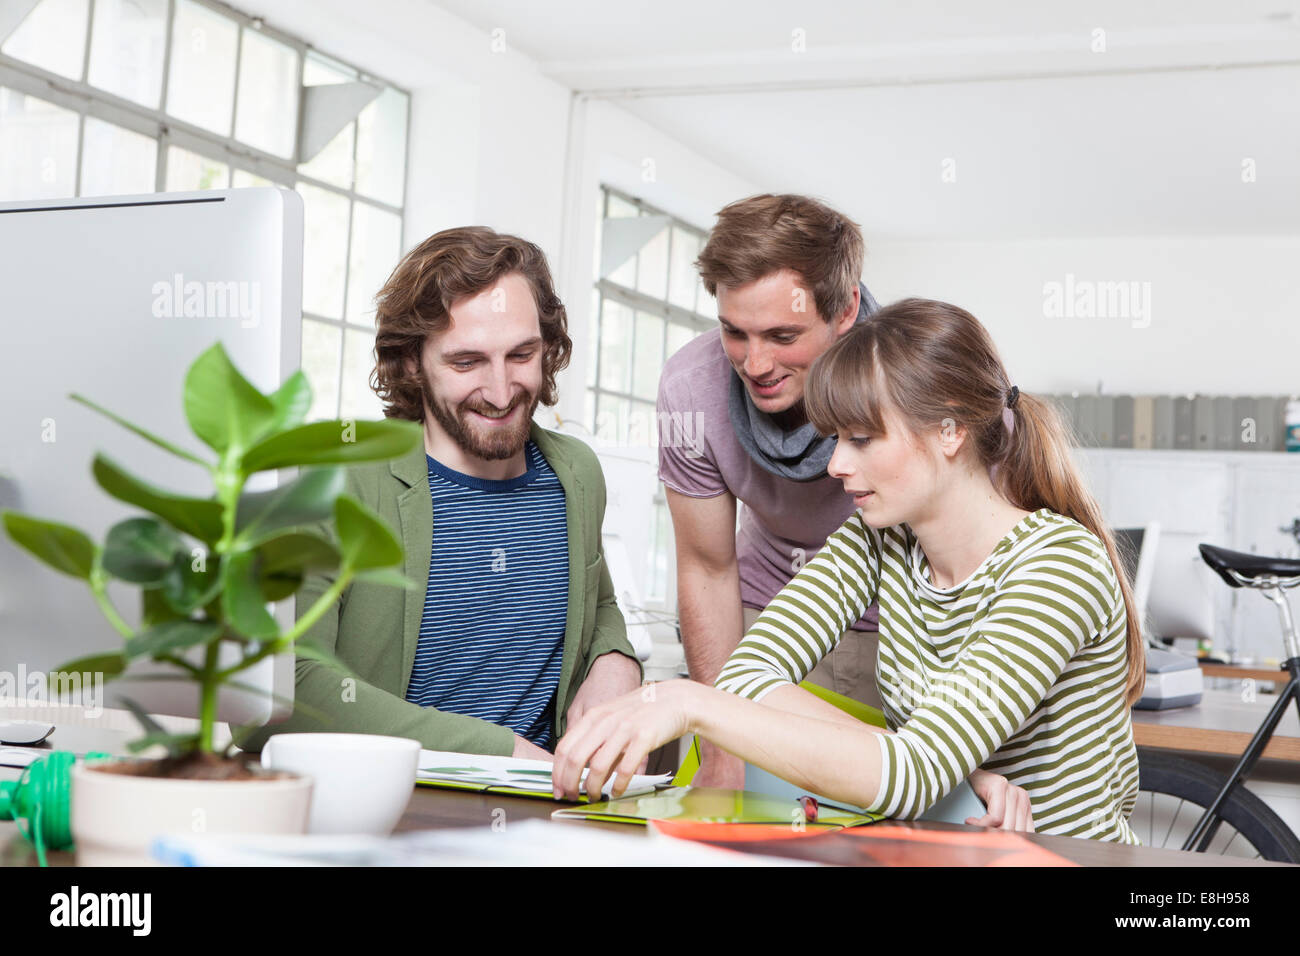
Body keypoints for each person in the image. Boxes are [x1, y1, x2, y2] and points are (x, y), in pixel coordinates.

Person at [554, 298, 1143, 842]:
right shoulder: (879, 538)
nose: (836, 463)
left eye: (862, 438)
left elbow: (911, 774)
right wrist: (946, 778)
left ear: (951, 430)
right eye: (835, 437)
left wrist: (689, 702)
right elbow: (746, 674)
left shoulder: (1059, 564)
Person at [235, 227, 642, 759]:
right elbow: (282, 690)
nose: (501, 392)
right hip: (391, 807)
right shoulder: (334, 480)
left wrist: (617, 662)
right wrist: (503, 753)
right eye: (466, 362)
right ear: (410, 362)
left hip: (551, 818)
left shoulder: (576, 473)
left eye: (521, 355)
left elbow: (601, 602)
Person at [657, 193, 884, 788]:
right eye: (736, 331)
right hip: (766, 623)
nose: (756, 363)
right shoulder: (691, 388)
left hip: (899, 629)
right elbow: (707, 567)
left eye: (783, 335)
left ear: (846, 311)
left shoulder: (915, 379)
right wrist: (723, 739)